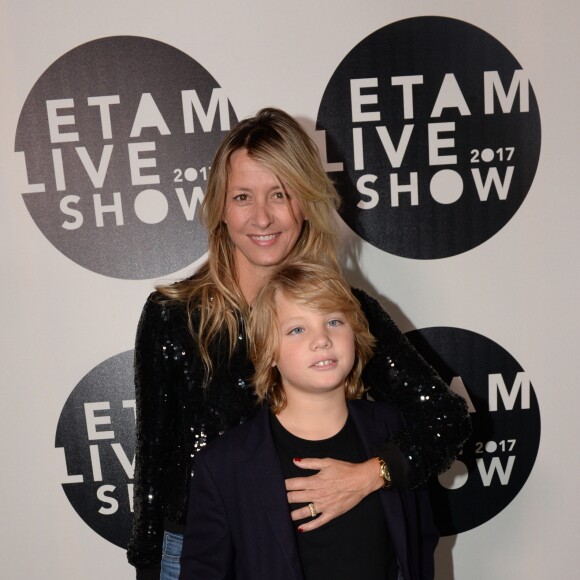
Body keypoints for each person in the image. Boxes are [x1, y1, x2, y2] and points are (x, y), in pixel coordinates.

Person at [126, 107, 470, 579]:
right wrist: (150, 565)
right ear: (220, 208)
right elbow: (152, 469)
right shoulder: (173, 317)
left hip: (324, 546)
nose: (262, 217)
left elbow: (445, 419)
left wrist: (373, 474)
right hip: (193, 556)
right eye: (243, 196)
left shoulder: (347, 313)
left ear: (304, 202)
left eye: (280, 194)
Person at [180, 261, 439, 580]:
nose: (322, 339)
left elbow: (420, 544)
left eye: (333, 321)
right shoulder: (224, 465)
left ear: (355, 335)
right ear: (268, 351)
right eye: (297, 329)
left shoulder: (394, 429)